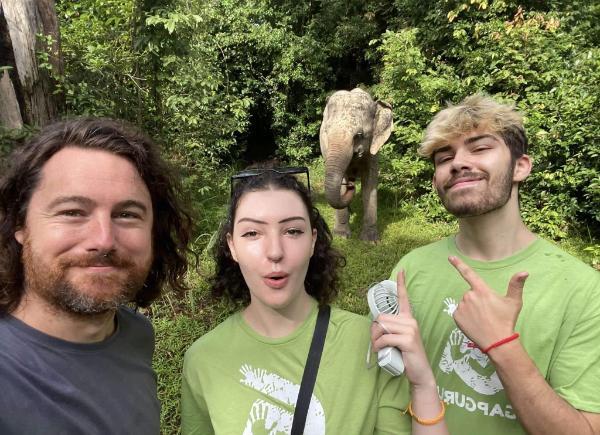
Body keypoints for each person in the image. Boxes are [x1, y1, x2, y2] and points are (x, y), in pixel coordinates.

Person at [386, 94, 600, 434]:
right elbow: (389, 391)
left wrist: (502, 345)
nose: (458, 162)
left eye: (480, 148)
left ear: (520, 166)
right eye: (445, 157)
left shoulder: (584, 289)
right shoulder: (410, 269)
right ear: (436, 182)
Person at [181, 166, 449, 434]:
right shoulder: (202, 360)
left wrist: (423, 384)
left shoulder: (370, 344)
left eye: (293, 231)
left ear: (312, 240)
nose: (275, 252)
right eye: (252, 233)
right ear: (232, 247)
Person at [0, 118, 194, 434]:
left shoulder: (134, 334)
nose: (103, 240)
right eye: (73, 212)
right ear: (19, 225)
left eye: (127, 214)